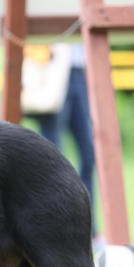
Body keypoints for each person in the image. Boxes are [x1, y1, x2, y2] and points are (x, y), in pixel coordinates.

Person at [29, 44, 97, 235]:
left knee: (88, 155)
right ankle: (53, 226)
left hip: (78, 70)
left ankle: (88, 228)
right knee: (51, 160)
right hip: (53, 68)